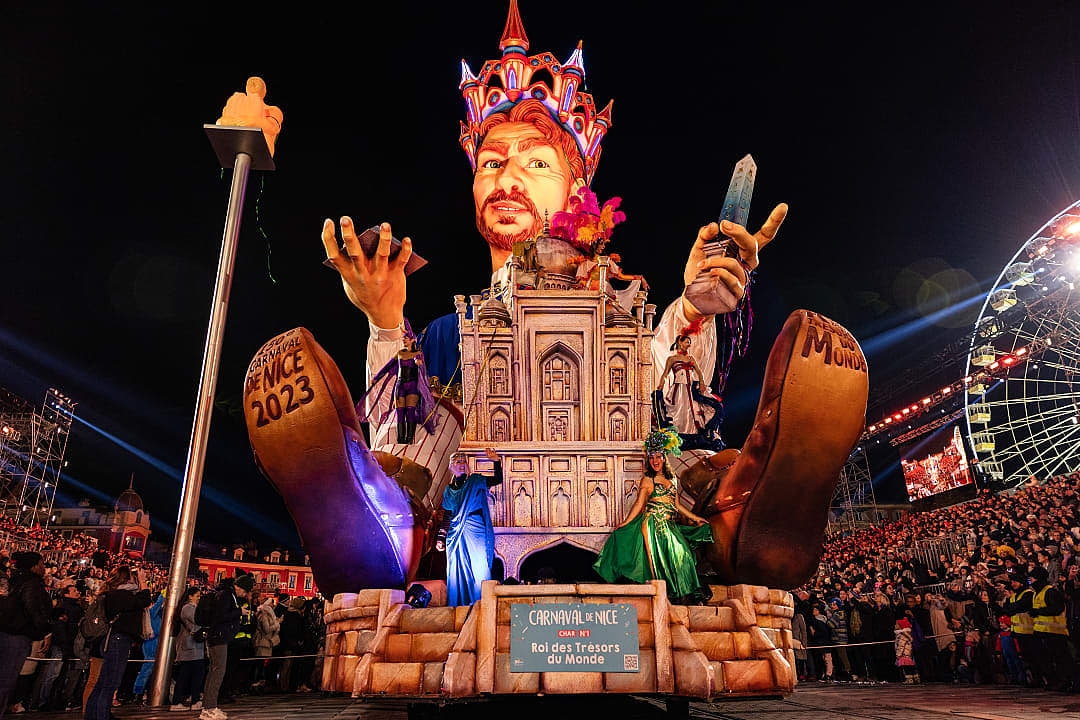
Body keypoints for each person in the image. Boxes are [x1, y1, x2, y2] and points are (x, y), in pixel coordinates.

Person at [243, 0, 867, 602]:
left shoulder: (619, 307)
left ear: (578, 185)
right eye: (490, 163)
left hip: (614, 484)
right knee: (415, 456)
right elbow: (404, 430)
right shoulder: (444, 332)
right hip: (487, 500)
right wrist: (384, 322)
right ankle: (370, 524)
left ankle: (748, 513)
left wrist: (696, 308)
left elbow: (672, 408)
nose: (506, 178)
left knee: (677, 456)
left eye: (536, 162)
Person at [593, 428, 712, 602]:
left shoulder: (673, 479)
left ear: (664, 458)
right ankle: (662, 598)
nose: (655, 461)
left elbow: (676, 504)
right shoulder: (648, 480)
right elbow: (639, 504)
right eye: (651, 457)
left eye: (658, 457)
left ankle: (680, 596)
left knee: (683, 555)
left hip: (669, 525)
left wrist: (695, 518)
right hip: (652, 525)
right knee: (658, 562)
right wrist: (626, 523)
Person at [84, 565, 152, 720]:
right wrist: (143, 582)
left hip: (116, 640)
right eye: (133, 576)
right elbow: (145, 600)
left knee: (104, 682)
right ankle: (101, 716)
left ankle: (93, 715)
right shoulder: (121, 594)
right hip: (118, 641)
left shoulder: (117, 594)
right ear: (126, 578)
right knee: (110, 683)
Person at [436, 448, 502, 606]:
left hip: (475, 527)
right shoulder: (448, 490)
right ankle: (459, 604)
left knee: (479, 566)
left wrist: (496, 461)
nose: (461, 464)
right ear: (451, 466)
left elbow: (497, 479)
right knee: (456, 569)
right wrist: (441, 537)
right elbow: (447, 515)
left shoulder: (475, 481)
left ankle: (482, 602)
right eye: (457, 462)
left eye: (464, 461)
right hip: (455, 533)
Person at [0, 552, 52, 719]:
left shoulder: (15, 580)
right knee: (6, 682)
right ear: (35, 565)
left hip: (9, 632)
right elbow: (34, 609)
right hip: (17, 635)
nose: (44, 568)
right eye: (42, 564)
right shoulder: (31, 584)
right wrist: (45, 630)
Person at [201, 574, 253, 720]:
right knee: (218, 672)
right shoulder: (226, 595)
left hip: (218, 637)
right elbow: (220, 616)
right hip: (219, 637)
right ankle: (209, 708)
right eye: (245, 591)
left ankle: (208, 706)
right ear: (239, 587)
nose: (245, 594)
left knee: (214, 672)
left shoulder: (225, 594)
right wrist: (239, 612)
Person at [170, 587, 205, 711]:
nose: (199, 598)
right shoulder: (188, 608)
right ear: (190, 596)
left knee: (187, 675)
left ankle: (182, 701)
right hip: (190, 647)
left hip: (190, 647)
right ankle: (191, 700)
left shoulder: (186, 608)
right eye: (197, 596)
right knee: (192, 675)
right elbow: (198, 621)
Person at [251, 594, 279, 691]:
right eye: (272, 604)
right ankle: (256, 684)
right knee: (260, 664)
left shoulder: (264, 613)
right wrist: (277, 624)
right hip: (262, 642)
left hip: (264, 642)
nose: (273, 605)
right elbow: (266, 629)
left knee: (261, 664)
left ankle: (258, 684)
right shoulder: (264, 615)